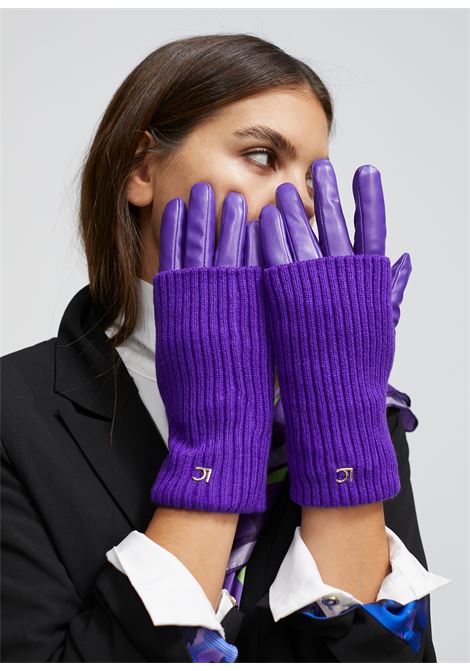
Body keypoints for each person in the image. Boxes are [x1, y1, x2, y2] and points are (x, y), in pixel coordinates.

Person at [0, 33, 451, 663]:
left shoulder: (361, 409)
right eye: (263, 156)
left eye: (313, 179)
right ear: (141, 170)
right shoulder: (12, 413)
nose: (299, 204)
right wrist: (215, 453)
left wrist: (345, 433)